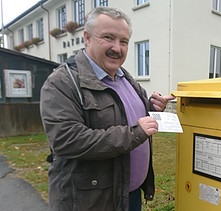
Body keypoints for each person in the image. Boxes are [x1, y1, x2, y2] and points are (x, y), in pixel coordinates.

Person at [40, 6, 175, 211]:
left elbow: (124, 114)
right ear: (87, 38)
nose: (117, 48)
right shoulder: (62, 82)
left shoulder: (124, 77)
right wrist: (134, 134)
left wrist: (153, 107)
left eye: (124, 41)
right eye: (108, 38)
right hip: (91, 202)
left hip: (129, 195)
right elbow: (67, 140)